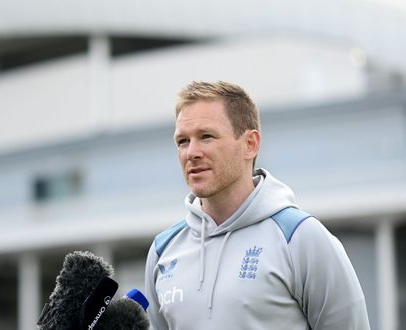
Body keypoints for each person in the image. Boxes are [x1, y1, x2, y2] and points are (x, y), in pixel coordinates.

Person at [144, 81, 370, 330]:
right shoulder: (162, 251)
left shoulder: (300, 238)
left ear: (250, 144)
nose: (191, 152)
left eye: (206, 136)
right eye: (182, 141)